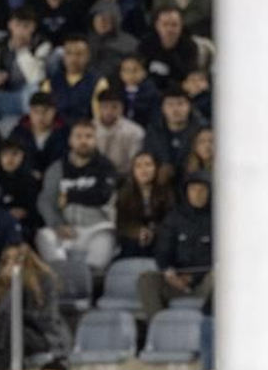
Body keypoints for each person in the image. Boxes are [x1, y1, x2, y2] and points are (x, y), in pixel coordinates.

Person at [36, 120, 119, 273]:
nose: (83, 141)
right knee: (44, 235)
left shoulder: (106, 167)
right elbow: (46, 201)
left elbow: (101, 195)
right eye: (78, 136)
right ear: (70, 140)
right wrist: (57, 224)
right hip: (66, 229)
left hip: (97, 229)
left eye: (88, 136)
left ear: (96, 140)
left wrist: (69, 195)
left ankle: (90, 280)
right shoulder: (57, 168)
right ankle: (61, 277)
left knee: (103, 245)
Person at [137, 171, 213, 316]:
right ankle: (158, 325)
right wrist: (170, 275)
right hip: (176, 283)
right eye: (193, 189)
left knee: (219, 277)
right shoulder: (173, 218)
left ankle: (205, 324)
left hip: (204, 284)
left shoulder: (220, 218)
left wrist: (193, 278)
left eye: (202, 189)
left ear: (210, 192)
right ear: (186, 192)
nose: (198, 194)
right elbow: (163, 252)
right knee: (146, 279)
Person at [0, 242, 70, 365]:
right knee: (2, 331)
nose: (11, 264)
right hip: (10, 335)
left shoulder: (44, 280)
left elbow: (46, 317)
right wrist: (12, 285)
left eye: (16, 259)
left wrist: (18, 284)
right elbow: (0, 314)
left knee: (12, 331)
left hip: (44, 336)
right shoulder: (0, 284)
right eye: (6, 260)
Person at [0, 6, 47, 125]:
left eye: (26, 26)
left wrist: (23, 51)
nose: (20, 31)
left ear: (33, 27)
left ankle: (31, 127)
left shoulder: (42, 45)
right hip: (5, 96)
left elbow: (37, 78)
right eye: (17, 25)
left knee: (33, 88)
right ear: (10, 25)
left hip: (26, 95)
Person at [115, 151, 173, 259]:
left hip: (160, 236)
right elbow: (121, 223)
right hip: (132, 238)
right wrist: (138, 232)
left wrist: (153, 231)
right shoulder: (124, 192)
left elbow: (171, 220)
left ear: (156, 168)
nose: (143, 170)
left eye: (148, 165)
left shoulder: (166, 191)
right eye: (138, 166)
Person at [92, 86, 144, 176]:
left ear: (122, 108)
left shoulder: (134, 131)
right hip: (94, 176)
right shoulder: (90, 129)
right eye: (105, 107)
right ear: (98, 108)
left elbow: (135, 161)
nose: (109, 111)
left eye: (114, 107)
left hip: (124, 176)